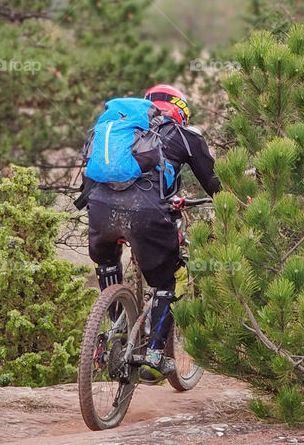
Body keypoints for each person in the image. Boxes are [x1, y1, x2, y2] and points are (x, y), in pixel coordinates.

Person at [82, 83, 220, 383]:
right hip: (147, 215)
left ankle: (113, 330)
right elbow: (213, 182)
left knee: (107, 264)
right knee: (169, 280)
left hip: (100, 209)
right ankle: (155, 355)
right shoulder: (185, 134)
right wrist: (235, 203)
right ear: (181, 111)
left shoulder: (116, 130)